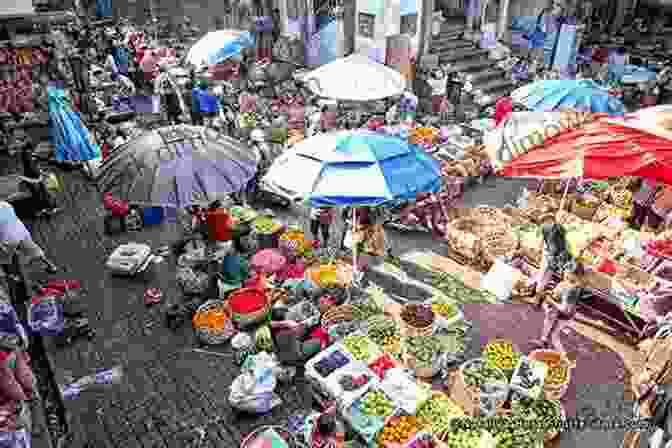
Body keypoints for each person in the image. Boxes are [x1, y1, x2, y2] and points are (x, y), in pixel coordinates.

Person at [531, 269, 588, 353]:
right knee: (549, 323)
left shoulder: (571, 290)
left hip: (565, 316)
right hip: (563, 314)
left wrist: (551, 301)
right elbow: (558, 295)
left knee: (554, 337)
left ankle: (565, 357)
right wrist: (551, 294)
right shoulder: (570, 285)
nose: (564, 272)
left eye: (567, 272)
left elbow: (564, 309)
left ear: (573, 275)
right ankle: (543, 342)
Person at [528, 213, 576, 307]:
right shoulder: (549, 229)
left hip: (552, 258)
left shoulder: (555, 230)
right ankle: (537, 296)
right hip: (550, 257)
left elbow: (556, 246)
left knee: (543, 277)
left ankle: (537, 298)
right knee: (543, 276)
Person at [0, 201, 58, 273]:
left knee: (4, 258)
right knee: (34, 249)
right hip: (21, 232)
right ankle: (51, 265)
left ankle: (11, 275)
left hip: (8, 239)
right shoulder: (5, 204)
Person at [19, 142, 59, 217]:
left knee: (39, 193)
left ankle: (44, 208)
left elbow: (33, 164)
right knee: (43, 192)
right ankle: (48, 208)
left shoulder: (27, 154)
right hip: (34, 177)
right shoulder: (28, 154)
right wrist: (40, 174)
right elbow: (32, 167)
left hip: (33, 177)